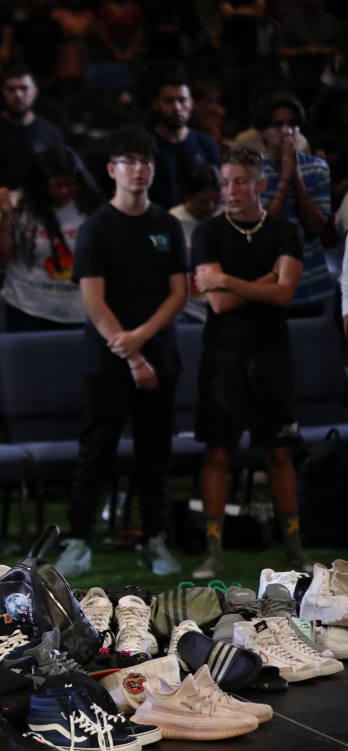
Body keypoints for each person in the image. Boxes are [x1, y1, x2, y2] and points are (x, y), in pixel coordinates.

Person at [54, 126, 189, 580]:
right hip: (107, 359)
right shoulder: (96, 227)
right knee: (96, 451)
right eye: (129, 161)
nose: (139, 169)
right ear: (113, 170)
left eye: (146, 161)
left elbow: (178, 294)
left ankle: (155, 539)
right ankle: (78, 541)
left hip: (160, 354)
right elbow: (94, 303)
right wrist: (131, 354)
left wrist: (141, 339)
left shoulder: (167, 225)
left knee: (156, 453)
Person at [189, 146, 309, 579]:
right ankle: (213, 551)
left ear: (260, 184)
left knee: (278, 450)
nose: (230, 190)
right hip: (223, 354)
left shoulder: (285, 230)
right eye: (225, 183)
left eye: (239, 181)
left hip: (273, 352)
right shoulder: (207, 233)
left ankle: (294, 549)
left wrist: (227, 279)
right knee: (218, 451)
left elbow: (285, 294)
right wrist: (263, 281)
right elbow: (219, 304)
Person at [0, 147, 103, 331]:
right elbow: (0, 259)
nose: (64, 190)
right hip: (29, 308)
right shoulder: (17, 204)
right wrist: (5, 217)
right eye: (57, 184)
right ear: (41, 183)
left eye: (71, 184)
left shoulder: (91, 205)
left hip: (81, 309)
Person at [256, 92, 334, 317]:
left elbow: (316, 227)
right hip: (269, 284)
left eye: (292, 124)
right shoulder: (253, 172)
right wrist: (285, 177)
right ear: (263, 131)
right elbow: (267, 229)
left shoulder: (317, 168)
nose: (287, 131)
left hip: (311, 281)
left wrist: (296, 174)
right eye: (278, 125)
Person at [0, 67, 64, 193]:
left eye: (24, 88)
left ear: (35, 92)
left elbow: (61, 176)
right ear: (2, 92)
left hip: (39, 203)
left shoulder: (51, 133)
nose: (18, 94)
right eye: (11, 89)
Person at [148, 72, 223, 211]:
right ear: (156, 104)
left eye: (182, 100)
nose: (177, 107)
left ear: (191, 103)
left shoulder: (206, 144)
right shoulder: (146, 147)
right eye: (169, 101)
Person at [170, 164, 224, 323]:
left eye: (216, 201)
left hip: (223, 299)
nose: (210, 208)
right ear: (188, 196)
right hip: (187, 305)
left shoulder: (228, 216)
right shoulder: (171, 222)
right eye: (203, 202)